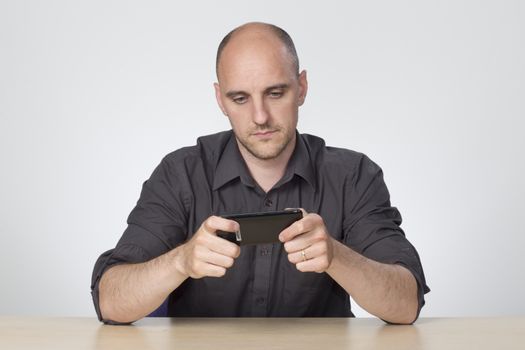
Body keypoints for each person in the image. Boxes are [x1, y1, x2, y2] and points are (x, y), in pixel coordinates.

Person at [91, 22, 430, 325]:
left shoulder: (352, 176)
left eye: (275, 93)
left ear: (302, 87)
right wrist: (180, 261)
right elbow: (110, 301)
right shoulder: (180, 174)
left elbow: (405, 304)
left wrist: (337, 256)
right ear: (220, 100)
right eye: (239, 98)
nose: (260, 116)